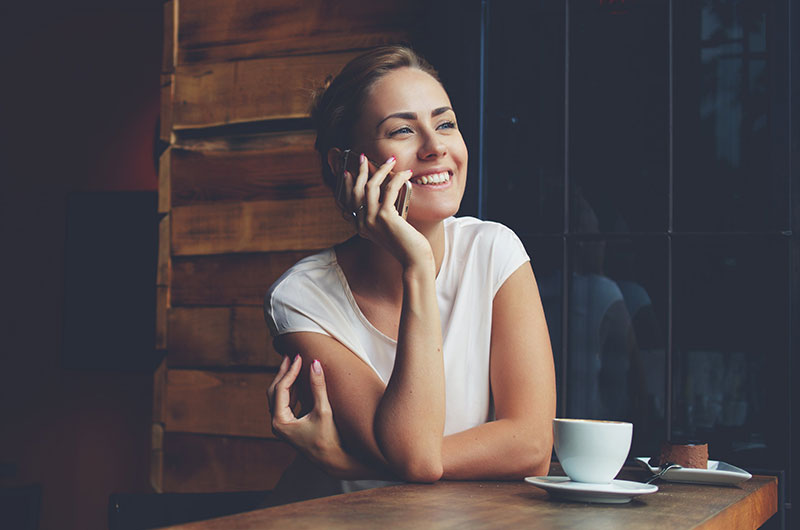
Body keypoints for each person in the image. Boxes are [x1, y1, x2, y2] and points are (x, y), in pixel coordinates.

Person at [264, 45, 555, 495]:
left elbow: (532, 446)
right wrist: (417, 265)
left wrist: (348, 463)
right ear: (344, 164)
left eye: (445, 124)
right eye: (402, 130)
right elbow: (415, 455)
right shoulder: (301, 297)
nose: (436, 146)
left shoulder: (494, 251)